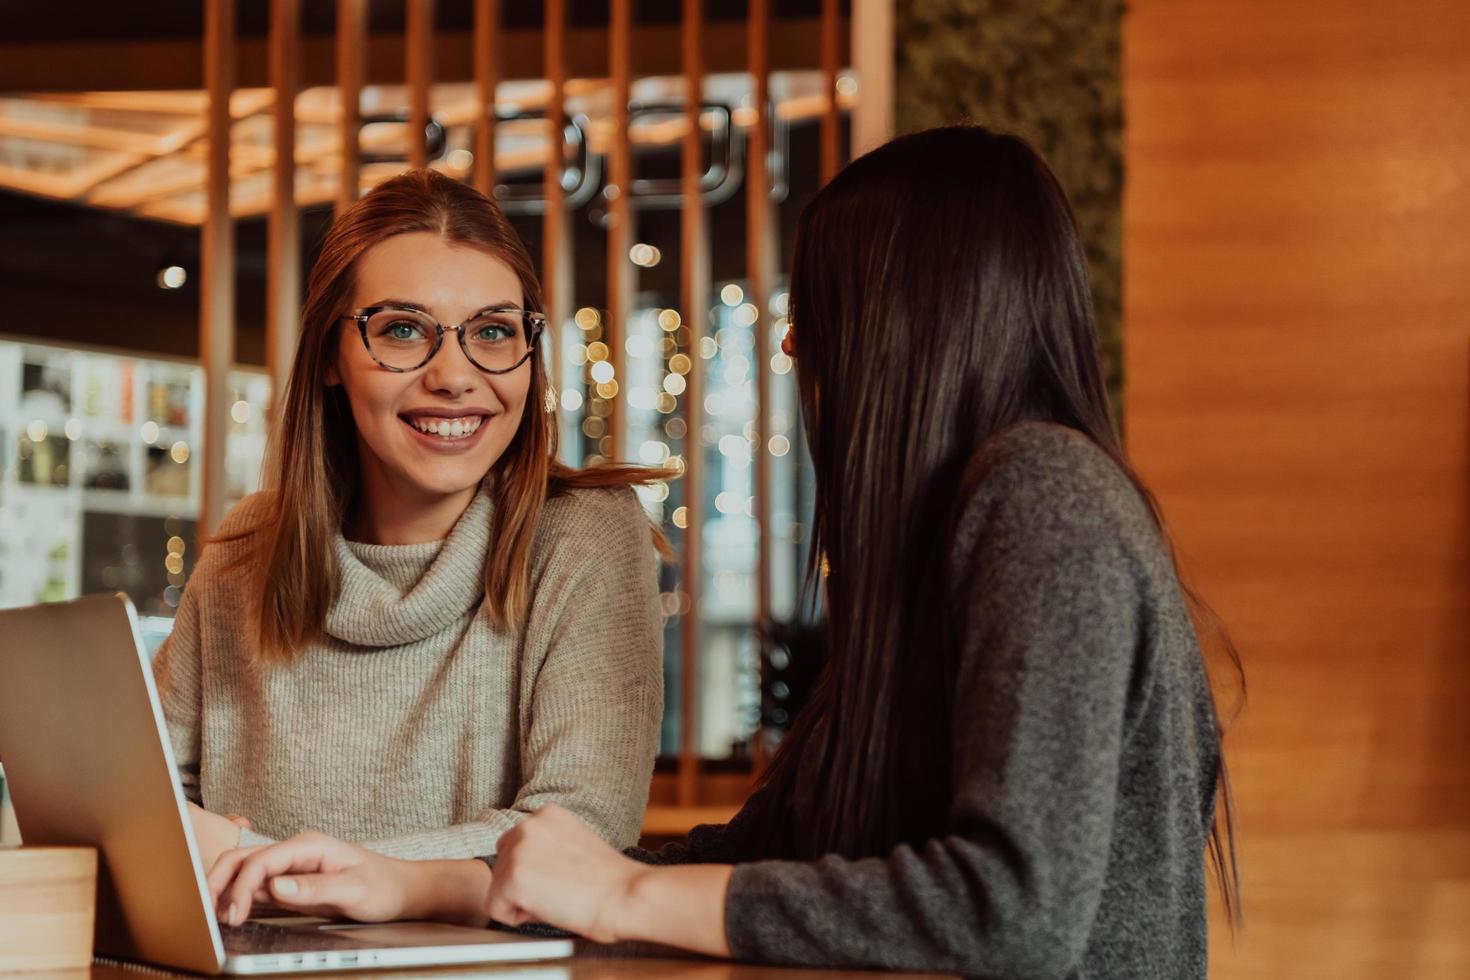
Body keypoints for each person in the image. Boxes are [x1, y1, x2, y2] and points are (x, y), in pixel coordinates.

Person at [206, 127, 1241, 979]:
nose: (793, 344)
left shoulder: (1044, 496)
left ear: (910, 317)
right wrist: (426, 882)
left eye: (822, 299)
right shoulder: (931, 560)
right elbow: (752, 858)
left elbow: (1012, 910)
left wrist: (620, 890)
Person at [154, 169, 666, 871]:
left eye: (492, 331)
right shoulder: (249, 547)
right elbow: (153, 805)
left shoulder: (585, 534)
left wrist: (268, 862)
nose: (454, 375)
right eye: (402, 330)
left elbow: (581, 834)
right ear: (332, 356)